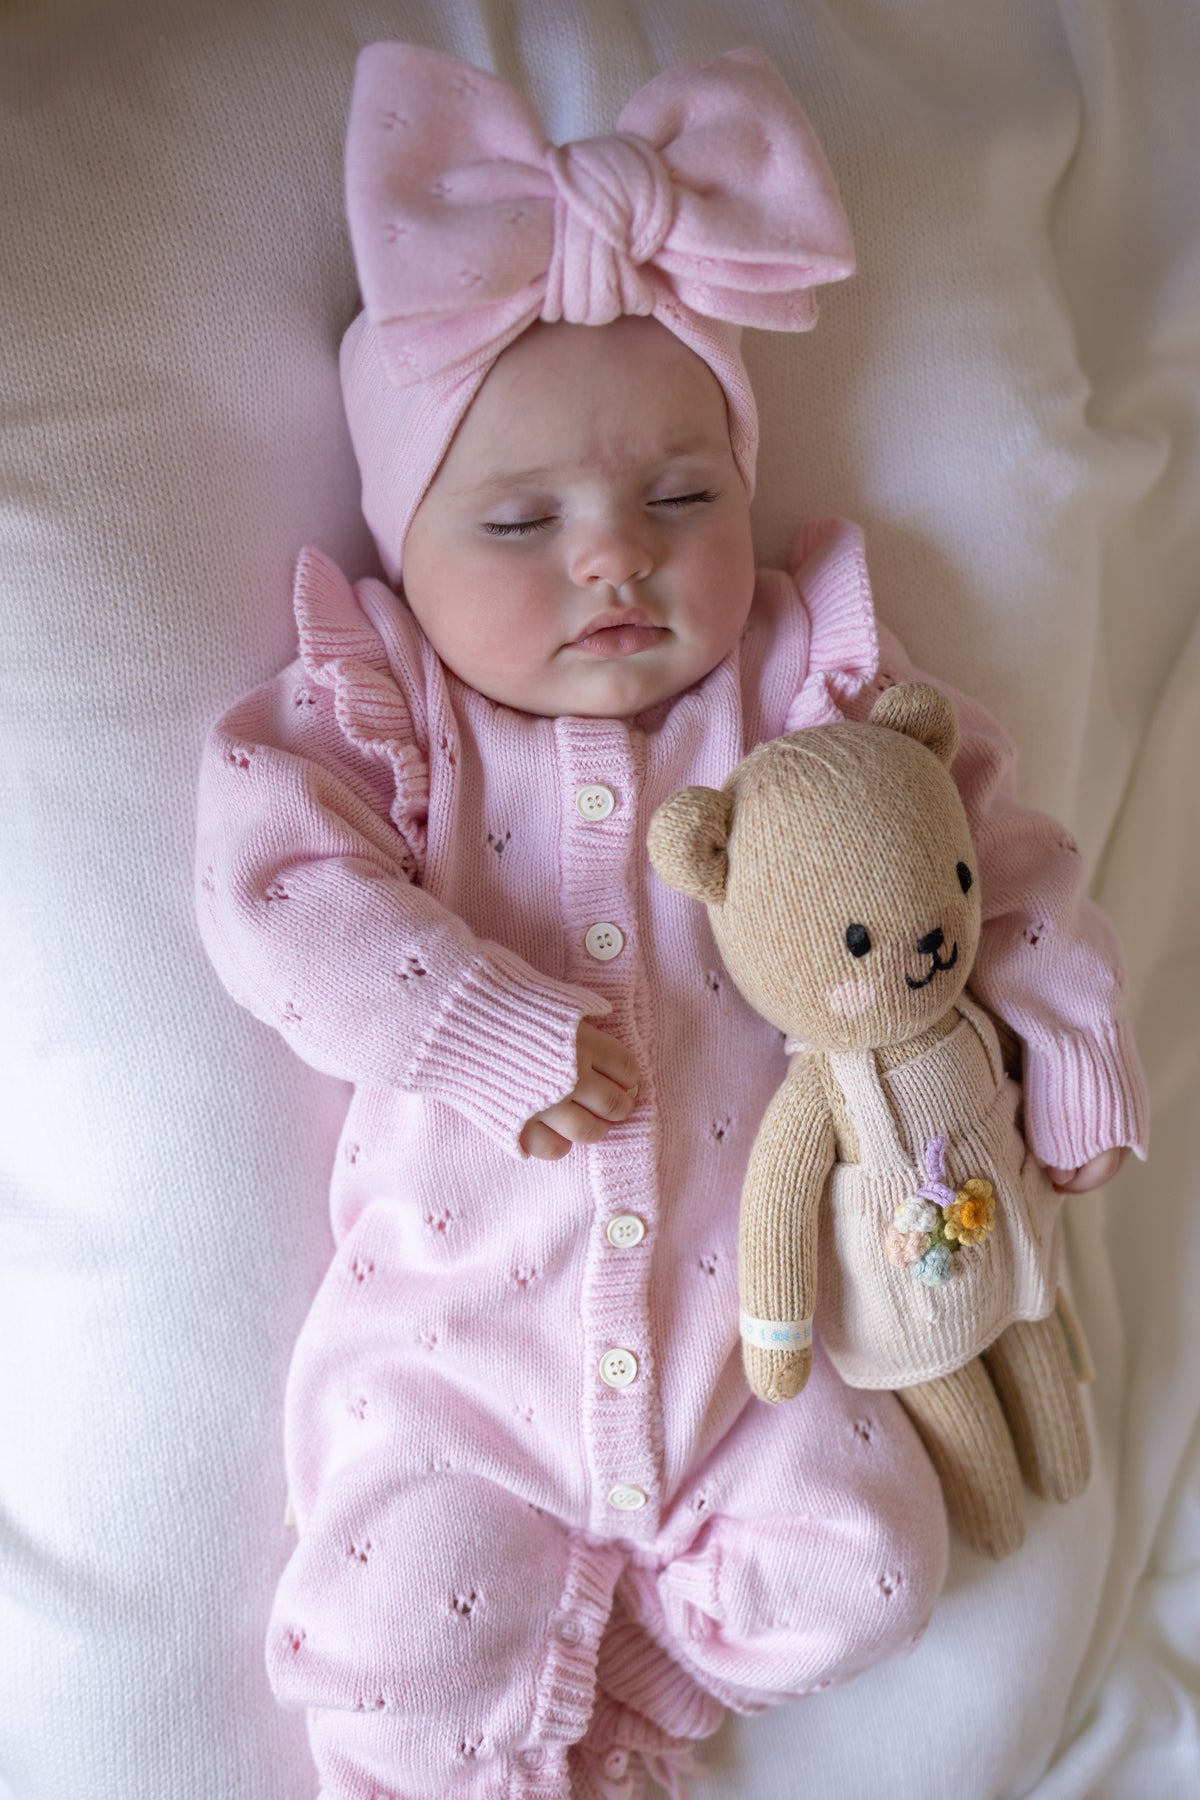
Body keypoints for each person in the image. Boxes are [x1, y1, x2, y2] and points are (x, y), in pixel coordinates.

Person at [195, 43, 1147, 1800]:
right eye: (519, 520)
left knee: (873, 1563)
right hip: (457, 1364)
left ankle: (624, 1696)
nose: (614, 559)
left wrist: (1066, 1043)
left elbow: (982, 852)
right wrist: (460, 1014)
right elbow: (271, 881)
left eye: (680, 500)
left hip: (753, 1354)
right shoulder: (404, 717)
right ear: (406, 541)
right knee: (383, 1630)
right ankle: (494, 1732)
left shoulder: (799, 693)